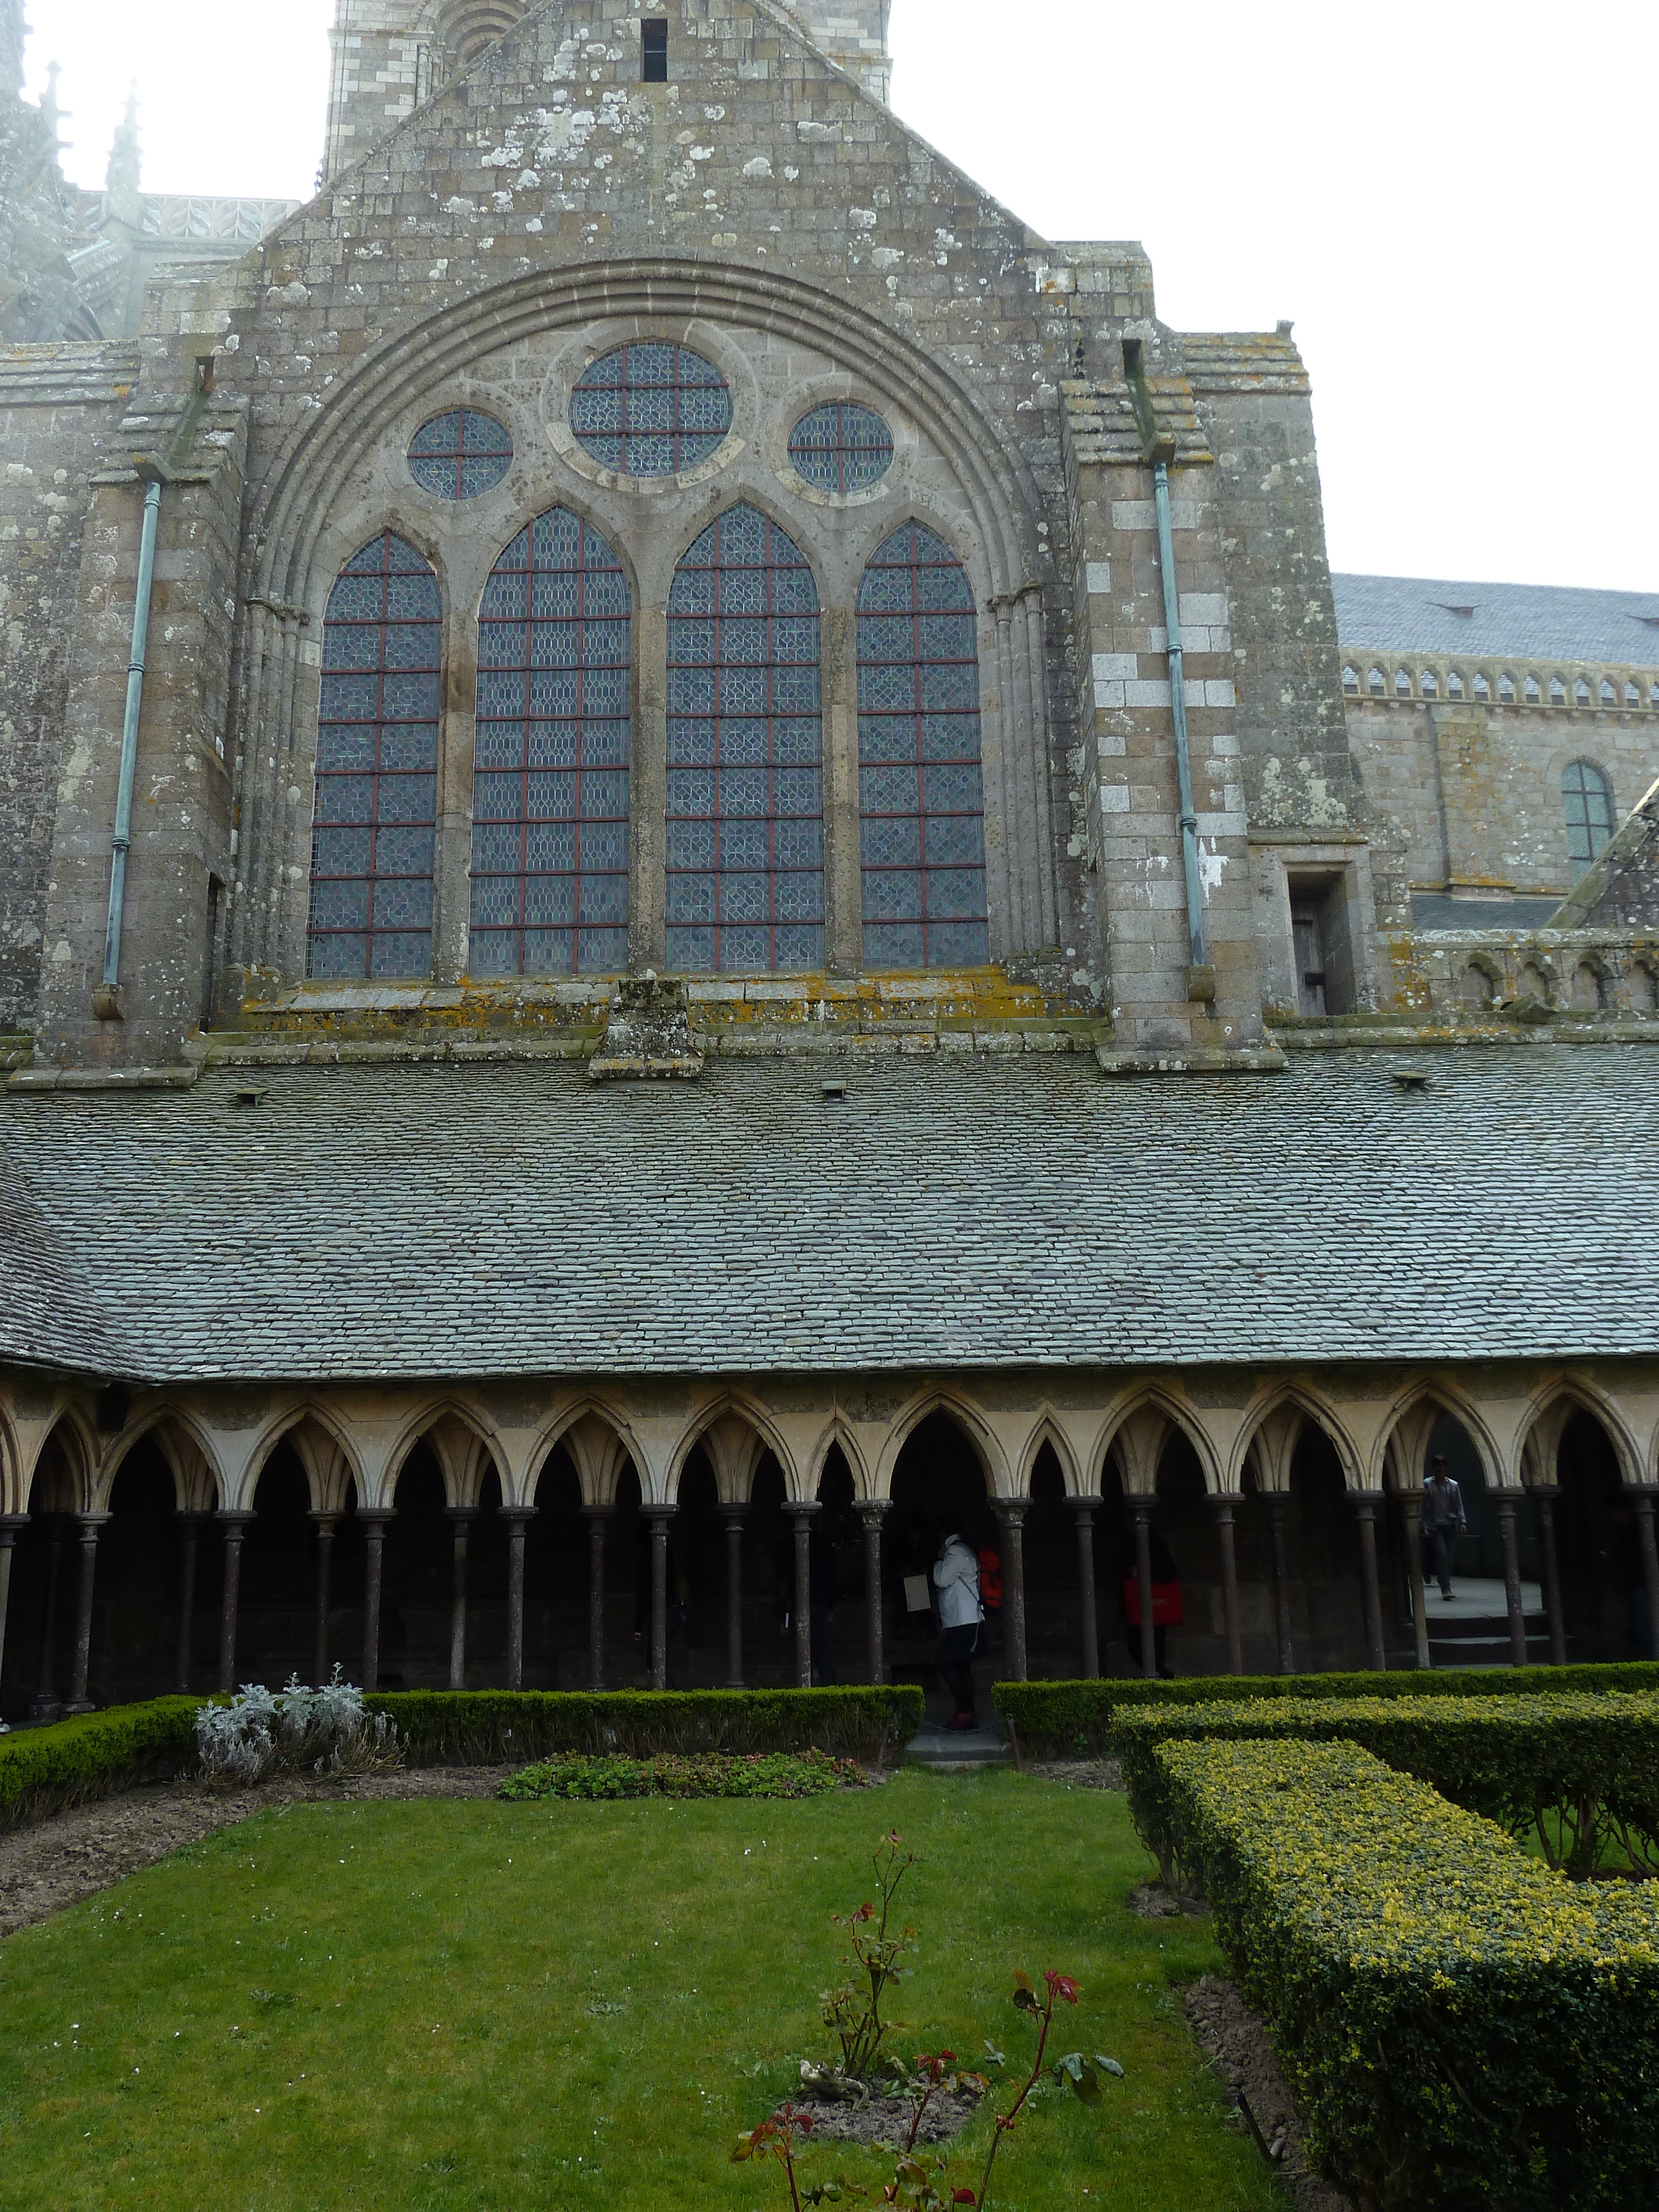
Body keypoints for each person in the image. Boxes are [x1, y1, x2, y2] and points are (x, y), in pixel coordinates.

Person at [932, 1527, 984, 1731]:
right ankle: (969, 1713)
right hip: (970, 1617)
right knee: (962, 1667)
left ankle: (965, 1711)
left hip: (961, 1619)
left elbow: (942, 1580)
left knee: (945, 1663)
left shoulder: (954, 1552)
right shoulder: (967, 1550)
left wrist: (938, 1562)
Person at [1119, 1528, 1182, 1678]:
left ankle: (1161, 1676)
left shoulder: (1152, 1541)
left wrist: (1144, 1572)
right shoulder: (1134, 1541)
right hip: (1139, 1606)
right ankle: (1159, 1675)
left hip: (1153, 1606)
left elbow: (1169, 1572)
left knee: (1151, 1648)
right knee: (1137, 1646)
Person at [1420, 1454, 1468, 1600]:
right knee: (1442, 1555)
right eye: (1437, 1466)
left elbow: (1458, 1505)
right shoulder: (1427, 1484)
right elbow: (1423, 1506)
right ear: (1434, 1468)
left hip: (1450, 1525)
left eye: (1442, 1466)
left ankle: (1443, 1579)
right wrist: (1422, 1524)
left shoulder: (1453, 1485)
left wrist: (1463, 1521)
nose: (1440, 1468)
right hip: (1436, 1526)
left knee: (1449, 1558)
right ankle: (1445, 1588)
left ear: (1445, 1468)